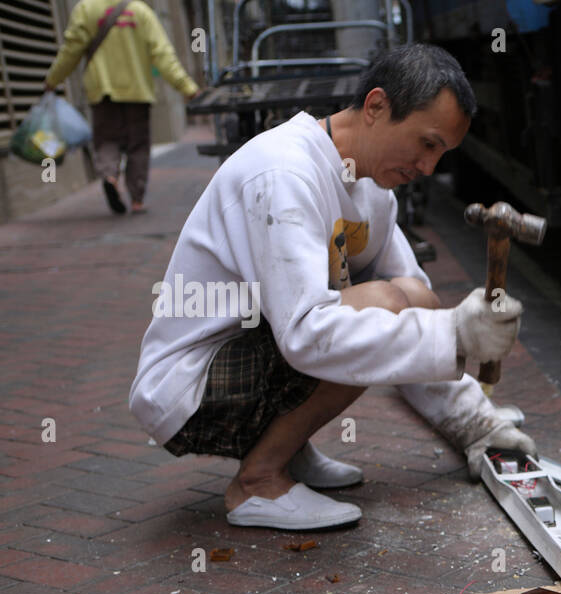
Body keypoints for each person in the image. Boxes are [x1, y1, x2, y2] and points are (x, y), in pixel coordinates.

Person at [128, 43, 535, 531]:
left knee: (413, 298)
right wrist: (457, 336)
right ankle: (257, 481)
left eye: (441, 153)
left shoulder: (373, 190)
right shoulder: (284, 172)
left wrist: (475, 421)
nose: (429, 168)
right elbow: (306, 334)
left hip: (256, 355)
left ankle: (288, 451)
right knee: (381, 305)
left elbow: (420, 312)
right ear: (376, 106)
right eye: (426, 144)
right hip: (189, 388)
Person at [44, 0, 200, 215]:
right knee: (138, 145)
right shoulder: (140, 11)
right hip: (138, 91)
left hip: (102, 91)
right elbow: (163, 54)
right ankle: (136, 200)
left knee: (107, 140)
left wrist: (53, 79)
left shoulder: (86, 9)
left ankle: (110, 176)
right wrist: (187, 87)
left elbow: (71, 50)